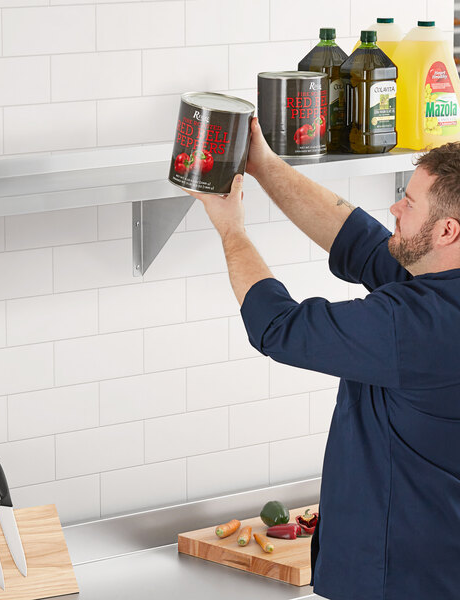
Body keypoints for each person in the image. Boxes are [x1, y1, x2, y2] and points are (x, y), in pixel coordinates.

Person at [183, 118, 460, 600]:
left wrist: (231, 229)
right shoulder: (435, 283)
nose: (395, 208)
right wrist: (264, 165)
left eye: (409, 204)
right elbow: (359, 241)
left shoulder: (416, 326)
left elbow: (278, 328)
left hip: (394, 581)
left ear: (446, 230)